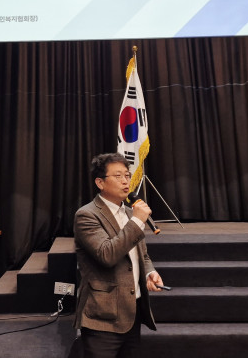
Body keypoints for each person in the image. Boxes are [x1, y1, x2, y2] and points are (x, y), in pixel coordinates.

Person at [73, 152, 164, 358]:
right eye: (118, 176)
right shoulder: (87, 215)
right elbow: (107, 254)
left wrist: (149, 272)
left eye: (127, 175)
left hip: (132, 313)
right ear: (100, 182)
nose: (125, 181)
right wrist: (137, 222)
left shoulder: (130, 213)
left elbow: (142, 254)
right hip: (102, 316)